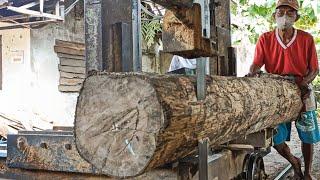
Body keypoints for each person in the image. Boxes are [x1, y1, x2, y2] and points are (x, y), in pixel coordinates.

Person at [248, 0, 319, 179]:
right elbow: (257, 63)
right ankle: (294, 162)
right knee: (275, 138)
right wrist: (251, 75)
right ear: (274, 16)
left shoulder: (306, 38)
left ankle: (307, 173)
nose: (284, 17)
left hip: (302, 89)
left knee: (307, 135)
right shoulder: (265, 38)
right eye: (280, 12)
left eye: (290, 13)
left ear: (297, 17)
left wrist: (304, 84)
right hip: (277, 92)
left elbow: (314, 69)